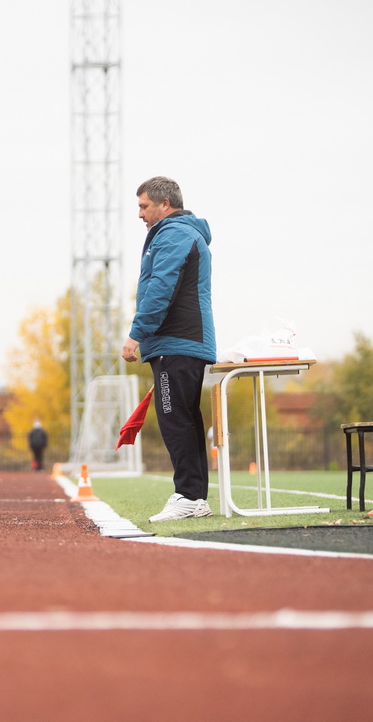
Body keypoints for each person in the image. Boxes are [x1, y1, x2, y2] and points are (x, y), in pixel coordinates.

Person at [121, 176, 216, 522]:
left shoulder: (174, 234)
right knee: (185, 420)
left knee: (175, 420)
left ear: (165, 205)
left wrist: (137, 334)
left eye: (144, 206)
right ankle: (197, 498)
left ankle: (188, 496)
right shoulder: (183, 233)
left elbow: (162, 287)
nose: (140, 214)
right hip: (185, 342)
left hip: (177, 343)